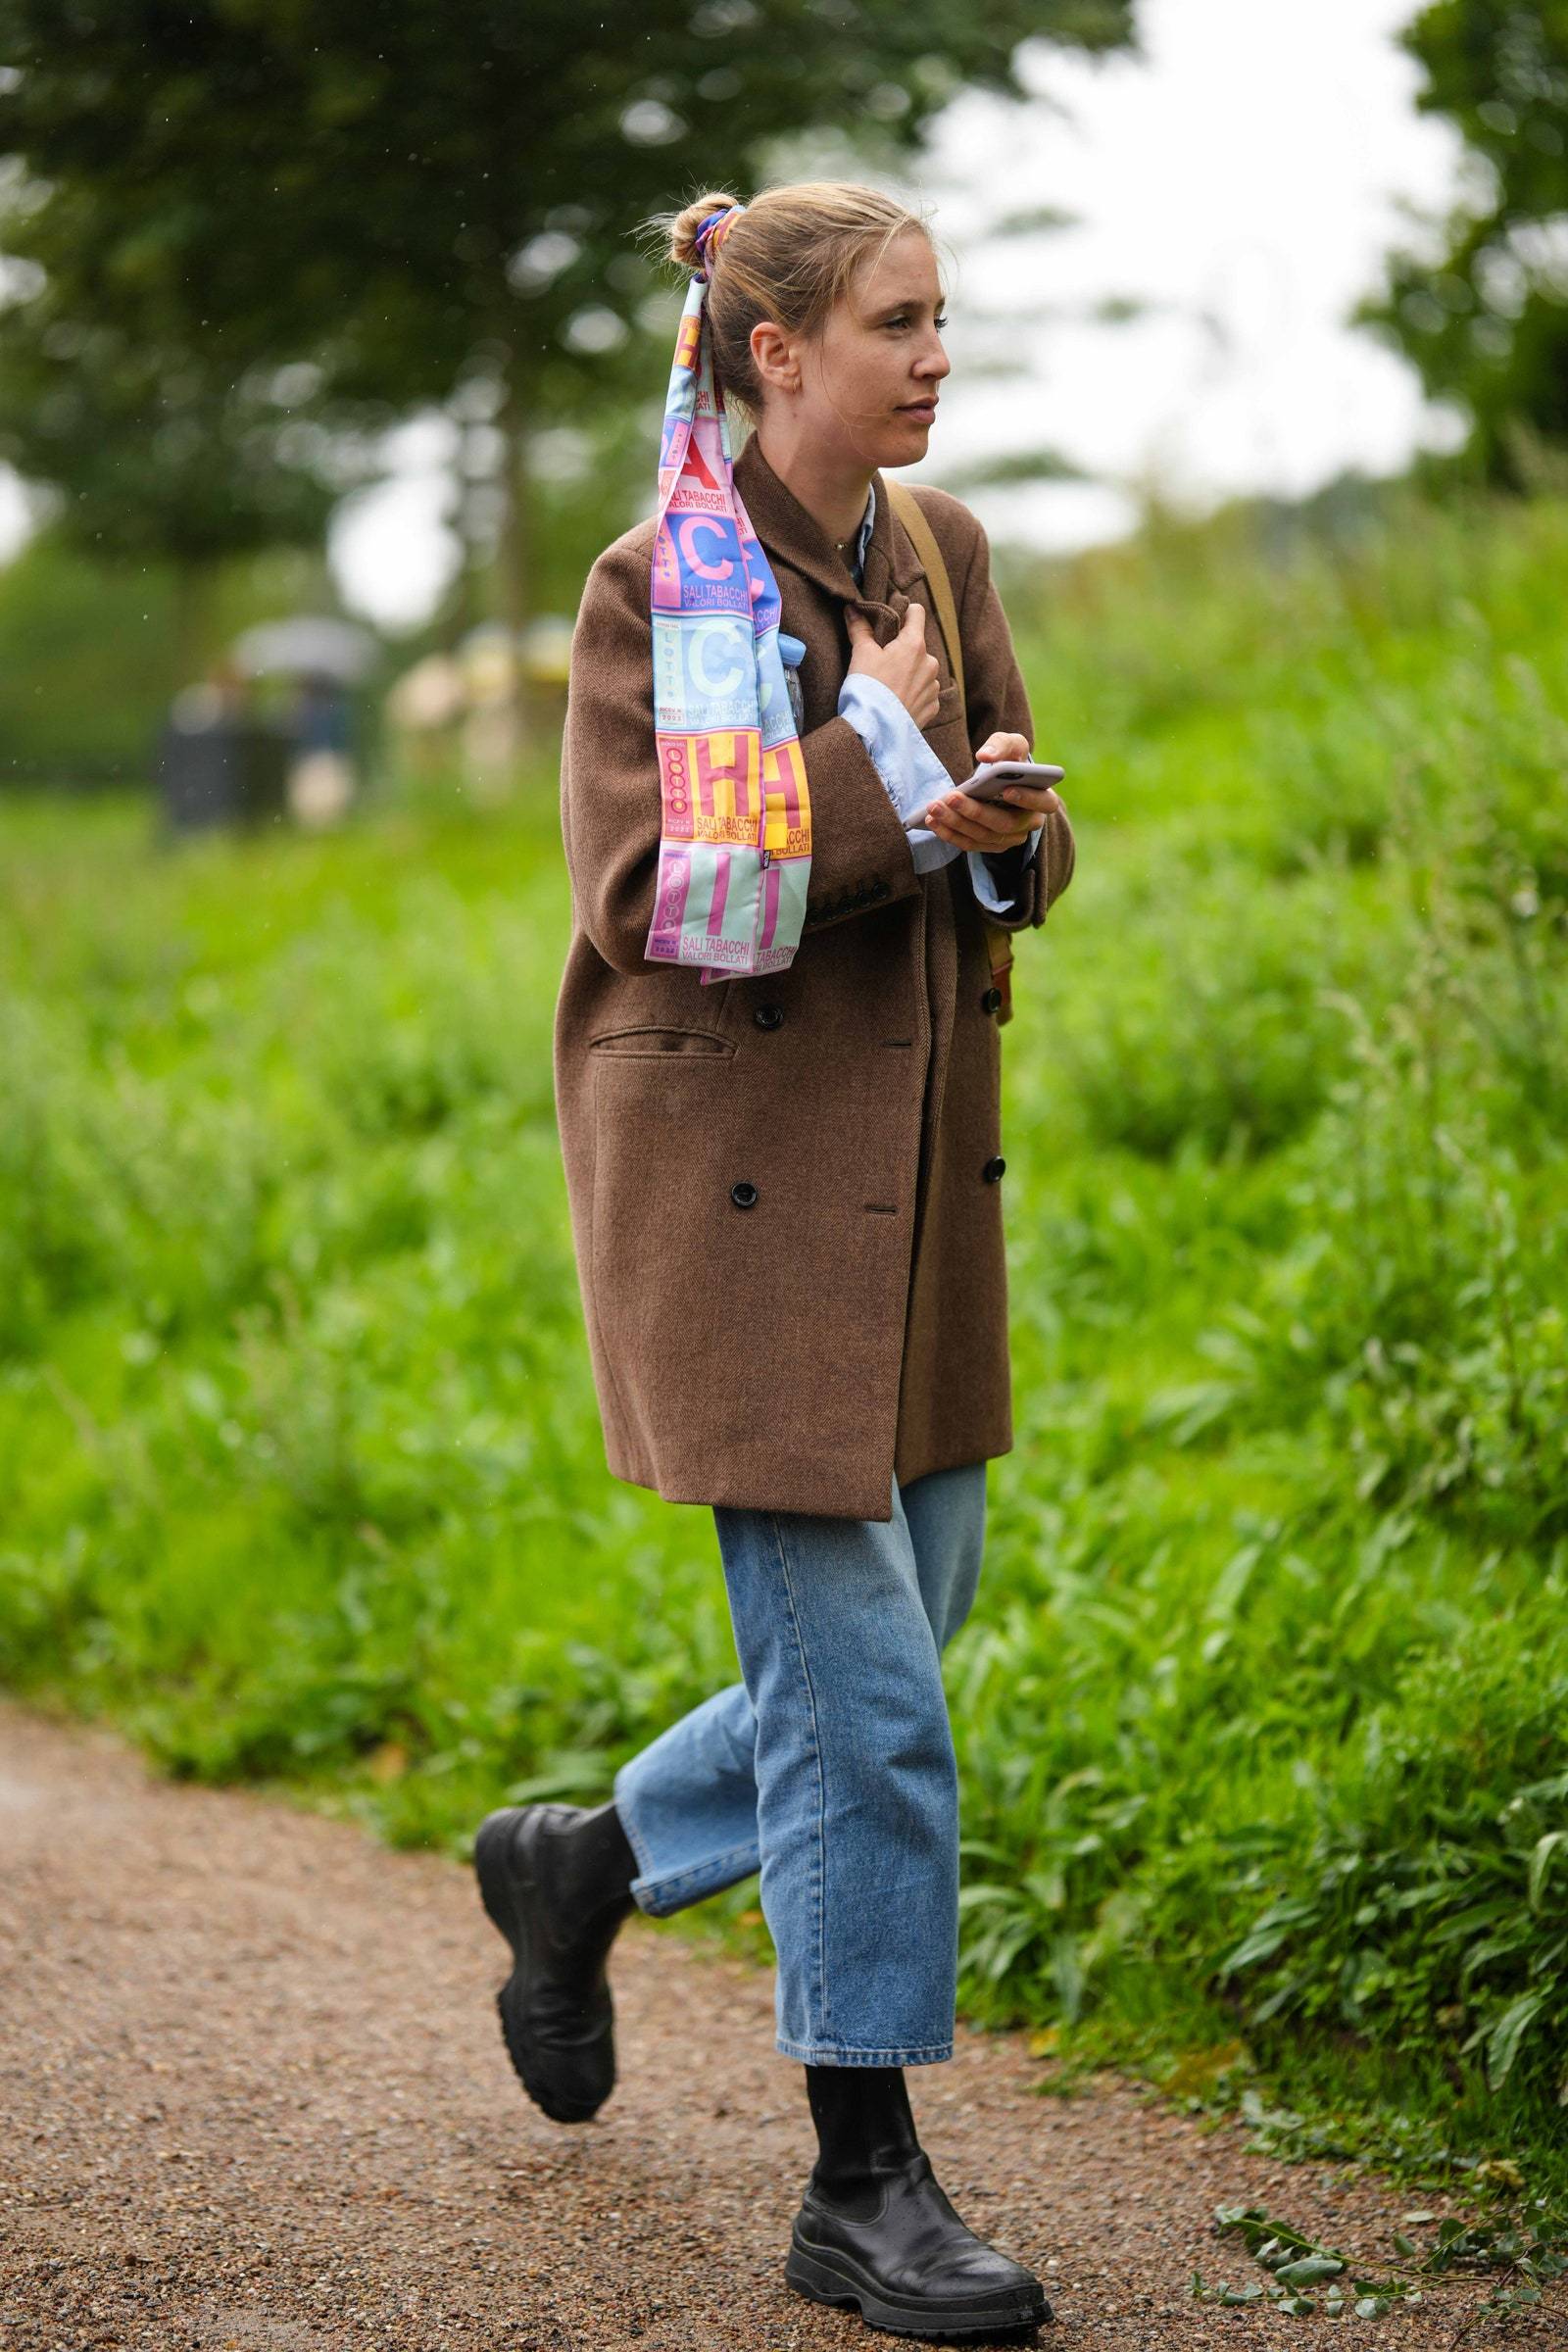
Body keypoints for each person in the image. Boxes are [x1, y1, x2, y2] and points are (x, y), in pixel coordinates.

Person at [473, 179, 1076, 2340]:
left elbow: (1011, 827)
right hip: (733, 1205)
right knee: (875, 1718)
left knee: (883, 1654)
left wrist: (1001, 824)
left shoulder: (943, 556)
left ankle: (578, 1866)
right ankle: (861, 2181)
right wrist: (894, 767)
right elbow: (659, 897)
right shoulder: (657, 589)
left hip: (916, 1201)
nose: (934, 356)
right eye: (897, 325)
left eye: (942, 320)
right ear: (772, 352)